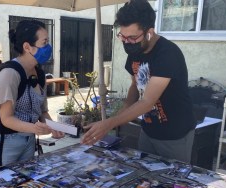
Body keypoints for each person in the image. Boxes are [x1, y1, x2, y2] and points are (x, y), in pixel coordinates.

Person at [82, 0, 196, 163]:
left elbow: (148, 101)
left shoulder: (167, 54)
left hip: (175, 134)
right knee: (143, 176)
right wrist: (118, 114)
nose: (127, 42)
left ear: (149, 32)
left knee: (172, 182)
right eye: (123, 36)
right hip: (148, 129)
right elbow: (135, 86)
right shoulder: (136, 50)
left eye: (133, 37)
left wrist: (108, 124)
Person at [0, 20, 64, 171]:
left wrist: (55, 127)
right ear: (27, 47)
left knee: (25, 185)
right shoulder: (9, 74)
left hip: (28, 140)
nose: (48, 47)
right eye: (44, 42)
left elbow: (42, 111)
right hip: (5, 141)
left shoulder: (39, 73)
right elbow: (6, 118)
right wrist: (35, 129)